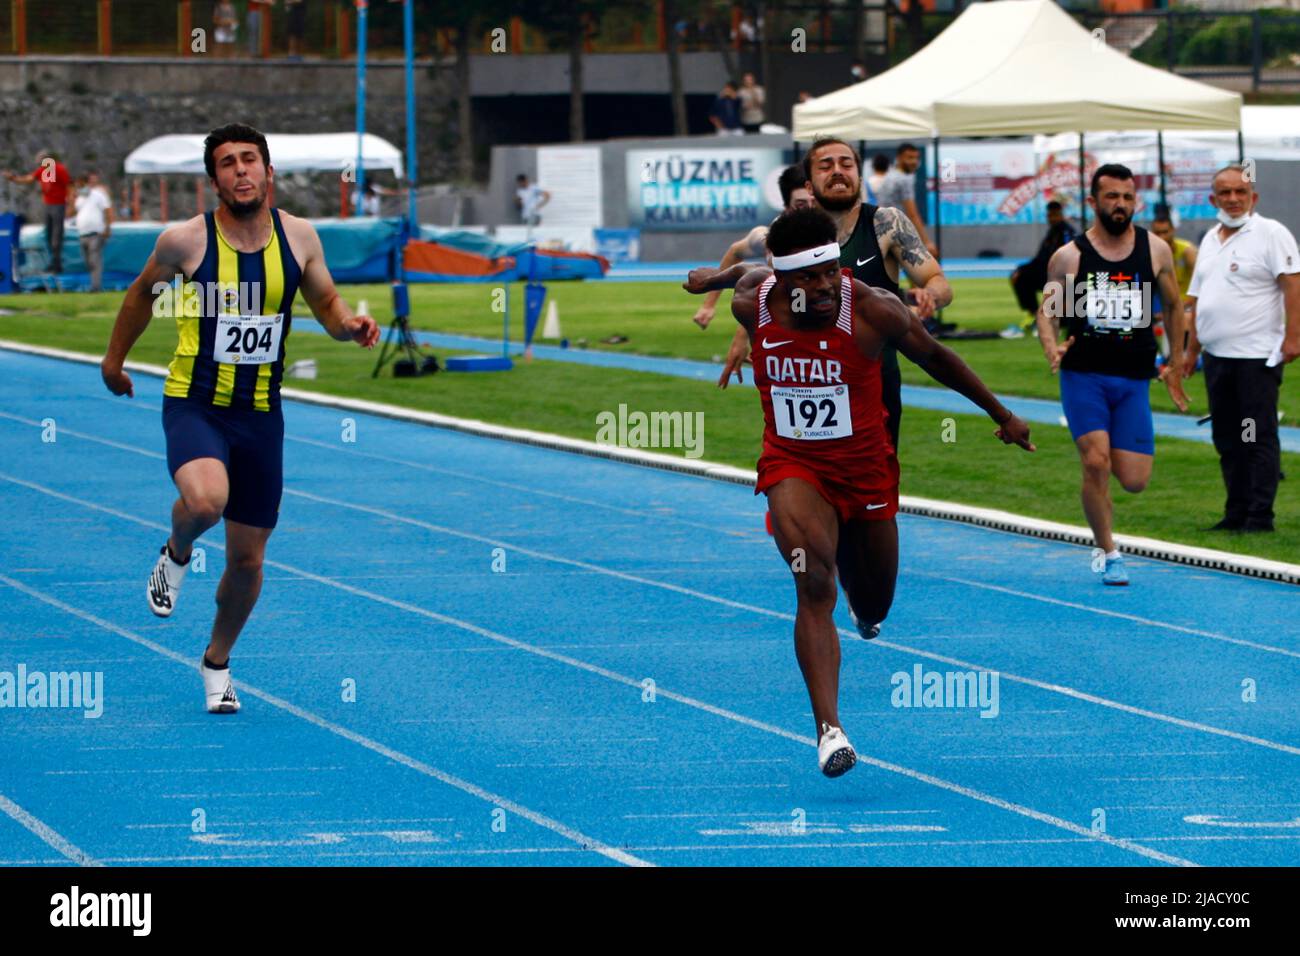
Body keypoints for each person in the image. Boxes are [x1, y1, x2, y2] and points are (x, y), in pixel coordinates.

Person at [684, 207, 1033, 776]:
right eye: (808, 278)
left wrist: (1004, 415)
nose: (823, 287)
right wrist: (710, 279)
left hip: (867, 473)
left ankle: (860, 597)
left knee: (873, 603)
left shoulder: (873, 309)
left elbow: (939, 358)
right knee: (813, 582)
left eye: (830, 270)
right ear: (784, 278)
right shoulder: (753, 302)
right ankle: (829, 731)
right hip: (793, 463)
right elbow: (746, 273)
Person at [99, 123, 380, 713]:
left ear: (269, 171)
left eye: (249, 160)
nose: (240, 171)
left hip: (261, 416)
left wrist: (348, 324)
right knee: (206, 502)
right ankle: (177, 549)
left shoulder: (299, 237)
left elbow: (325, 301)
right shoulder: (185, 242)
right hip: (196, 403)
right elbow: (140, 295)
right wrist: (114, 361)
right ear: (214, 181)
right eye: (227, 163)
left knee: (248, 562)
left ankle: (217, 663)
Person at [703, 137, 954, 455]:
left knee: (872, 489)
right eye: (826, 166)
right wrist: (745, 335)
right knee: (800, 477)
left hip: (874, 380)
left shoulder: (886, 224)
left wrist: (929, 295)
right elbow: (774, 292)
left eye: (846, 164)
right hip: (805, 381)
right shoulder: (790, 231)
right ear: (809, 186)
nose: (838, 171)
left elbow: (938, 282)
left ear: (860, 178)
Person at [1036, 164, 1189, 585]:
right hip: (1085, 375)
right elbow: (1049, 313)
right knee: (1096, 462)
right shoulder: (1070, 257)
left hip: (1134, 379)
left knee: (1135, 481)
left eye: (1127, 197)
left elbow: (1175, 307)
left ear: (1134, 201)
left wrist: (1176, 361)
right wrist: (1051, 346)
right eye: (1111, 197)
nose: (1120, 204)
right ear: (1093, 202)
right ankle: (1109, 552)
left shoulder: (1155, 249)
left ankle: (1107, 527)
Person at [1183, 164, 1300, 533]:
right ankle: (1235, 511)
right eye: (1225, 193)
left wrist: (1293, 337)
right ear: (1212, 199)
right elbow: (1198, 298)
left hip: (1255, 359)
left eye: (1240, 192)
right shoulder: (1209, 240)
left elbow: (1293, 286)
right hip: (1217, 358)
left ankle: (1259, 516)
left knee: (1254, 433)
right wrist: (1190, 351)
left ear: (1254, 197)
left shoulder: (1270, 234)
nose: (1233, 199)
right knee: (1227, 438)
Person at [691, 164, 814, 329]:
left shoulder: (836, 236)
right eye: (801, 204)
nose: (810, 209)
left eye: (815, 202)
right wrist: (709, 305)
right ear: (786, 208)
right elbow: (736, 251)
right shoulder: (772, 238)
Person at [4, 150, 72, 275]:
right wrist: (13, 178)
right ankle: (53, 262)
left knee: (56, 236)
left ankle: (57, 264)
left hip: (59, 204)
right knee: (49, 235)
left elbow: (68, 186)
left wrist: (70, 206)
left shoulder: (59, 169)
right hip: (49, 205)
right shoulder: (43, 170)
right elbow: (29, 179)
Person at [1011, 200, 1077, 329]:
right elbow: (1039, 259)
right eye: (1049, 215)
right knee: (1020, 276)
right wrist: (1020, 269)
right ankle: (1034, 315)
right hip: (1047, 274)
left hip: (1063, 277)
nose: (1051, 218)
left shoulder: (1067, 233)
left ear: (1061, 215)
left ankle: (1061, 312)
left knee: (1061, 321)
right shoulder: (1050, 234)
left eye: (1054, 215)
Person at [876, 143, 939, 259]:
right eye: (909, 157)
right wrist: (927, 242)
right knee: (925, 273)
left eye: (916, 158)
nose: (914, 161)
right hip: (896, 233)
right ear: (899, 158)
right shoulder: (903, 179)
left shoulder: (890, 175)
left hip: (882, 232)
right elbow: (913, 214)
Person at [70, 170, 113, 292]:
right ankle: (94, 283)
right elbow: (71, 213)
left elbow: (108, 210)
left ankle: (95, 287)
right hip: (83, 233)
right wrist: (72, 199)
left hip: (96, 233)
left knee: (94, 260)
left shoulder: (98, 195)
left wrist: (107, 227)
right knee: (88, 262)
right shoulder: (79, 199)